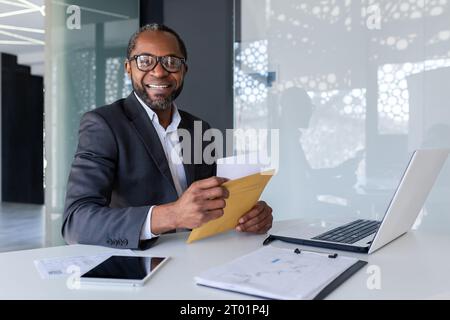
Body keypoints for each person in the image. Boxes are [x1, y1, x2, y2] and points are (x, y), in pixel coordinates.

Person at [62, 24, 273, 250]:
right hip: (137, 265)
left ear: (184, 70)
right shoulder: (104, 124)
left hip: (198, 257)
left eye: (171, 62)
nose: (160, 71)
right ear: (128, 68)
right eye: (145, 60)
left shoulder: (200, 129)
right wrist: (172, 215)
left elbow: (214, 204)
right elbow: (76, 222)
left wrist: (247, 216)